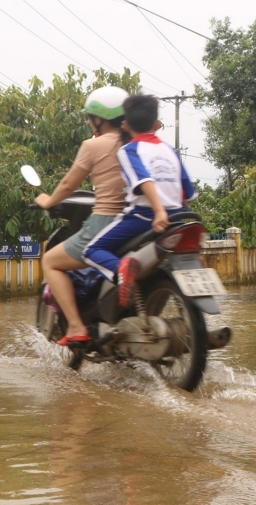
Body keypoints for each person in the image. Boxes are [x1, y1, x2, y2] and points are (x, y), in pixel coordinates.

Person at [83, 94, 196, 310]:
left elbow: (144, 179)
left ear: (125, 125)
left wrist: (159, 211)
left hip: (145, 216)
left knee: (92, 250)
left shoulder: (129, 150)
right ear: (156, 124)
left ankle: (123, 269)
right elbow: (189, 192)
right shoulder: (171, 151)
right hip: (178, 217)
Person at [36, 86, 129, 346]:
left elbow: (68, 185)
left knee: (51, 261)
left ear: (98, 119)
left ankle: (76, 326)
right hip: (136, 221)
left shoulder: (93, 144)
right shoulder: (136, 143)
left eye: (91, 118)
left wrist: (48, 201)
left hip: (105, 222)